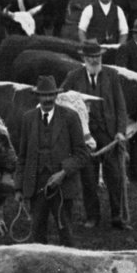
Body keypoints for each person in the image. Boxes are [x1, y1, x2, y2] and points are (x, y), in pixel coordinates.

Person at [62, 40, 131, 231]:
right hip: (85, 136)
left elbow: (120, 106)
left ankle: (118, 216)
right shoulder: (73, 77)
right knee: (89, 179)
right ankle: (92, 217)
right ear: (84, 58)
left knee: (115, 176)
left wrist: (120, 131)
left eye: (98, 56)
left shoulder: (112, 75)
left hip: (109, 135)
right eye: (91, 57)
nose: (95, 60)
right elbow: (62, 100)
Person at [19, 75, 87, 244]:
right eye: (44, 95)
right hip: (36, 186)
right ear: (37, 96)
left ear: (56, 96)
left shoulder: (70, 117)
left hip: (62, 186)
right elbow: (22, 157)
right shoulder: (28, 119)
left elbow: (82, 154)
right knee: (37, 235)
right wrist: (18, 187)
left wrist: (63, 173)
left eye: (51, 95)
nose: (47, 99)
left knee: (66, 234)